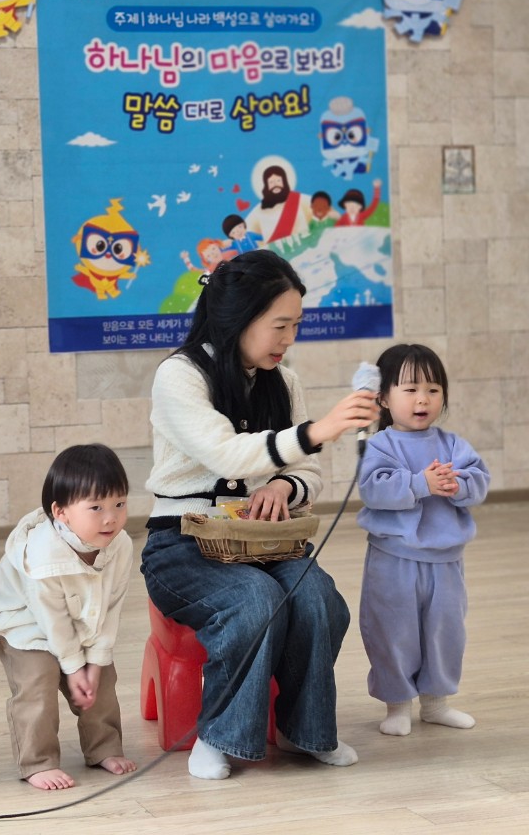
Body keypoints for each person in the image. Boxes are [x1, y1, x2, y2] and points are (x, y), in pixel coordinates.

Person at [142, 249, 378, 780]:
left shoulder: (285, 383)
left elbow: (308, 472)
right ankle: (218, 735)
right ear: (241, 318)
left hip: (263, 541)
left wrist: (284, 484)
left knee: (318, 598)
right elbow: (226, 454)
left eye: (296, 325)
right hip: (182, 545)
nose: (289, 338)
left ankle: (303, 731)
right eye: (280, 325)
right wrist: (318, 431)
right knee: (254, 599)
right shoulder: (179, 375)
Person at [0, 444, 138, 791]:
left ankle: (104, 747)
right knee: (38, 679)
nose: (110, 518)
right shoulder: (43, 554)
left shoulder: (121, 545)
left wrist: (94, 664)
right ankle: (37, 761)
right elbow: (52, 620)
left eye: (119, 504)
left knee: (101, 680)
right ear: (61, 512)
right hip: (26, 622)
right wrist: (74, 666)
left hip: (83, 617)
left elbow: (111, 608)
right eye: (96, 507)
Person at [356, 343, 490, 736]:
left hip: (446, 561)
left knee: (445, 632)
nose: (422, 399)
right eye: (411, 389)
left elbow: (479, 480)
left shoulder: (453, 444)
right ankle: (397, 704)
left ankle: (435, 704)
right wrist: (420, 483)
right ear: (383, 398)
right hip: (393, 559)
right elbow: (373, 489)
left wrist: (457, 484)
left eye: (433, 389)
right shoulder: (380, 445)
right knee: (393, 631)